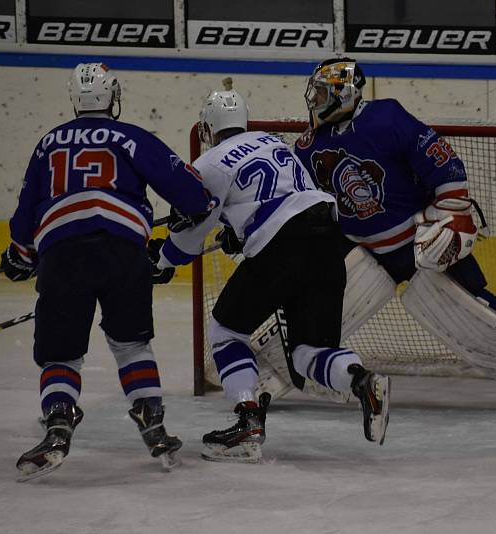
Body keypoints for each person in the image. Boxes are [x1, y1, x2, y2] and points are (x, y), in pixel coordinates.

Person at [271, 57, 496, 415]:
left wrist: (453, 215)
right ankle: (274, 372)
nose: (316, 101)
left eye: (324, 93)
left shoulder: (386, 118)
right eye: (316, 93)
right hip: (359, 248)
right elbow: (300, 200)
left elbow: (442, 161)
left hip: (419, 240)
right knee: (313, 313)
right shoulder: (308, 147)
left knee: (475, 315)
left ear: (347, 93)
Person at [147, 85, 391, 463]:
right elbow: (274, 196)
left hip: (283, 244)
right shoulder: (274, 143)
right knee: (310, 352)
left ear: (208, 127)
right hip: (329, 238)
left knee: (227, 332)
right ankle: (362, 380)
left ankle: (247, 423)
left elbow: (189, 238)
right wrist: (238, 230)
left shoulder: (209, 162)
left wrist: (161, 261)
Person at [2, 63, 213, 480]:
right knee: (131, 343)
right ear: (112, 97)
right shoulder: (132, 136)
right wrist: (192, 210)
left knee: (61, 353)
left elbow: (27, 211)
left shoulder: (49, 142)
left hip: (62, 254)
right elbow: (191, 192)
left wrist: (20, 255)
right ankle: (153, 422)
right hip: (123, 252)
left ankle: (59, 423)